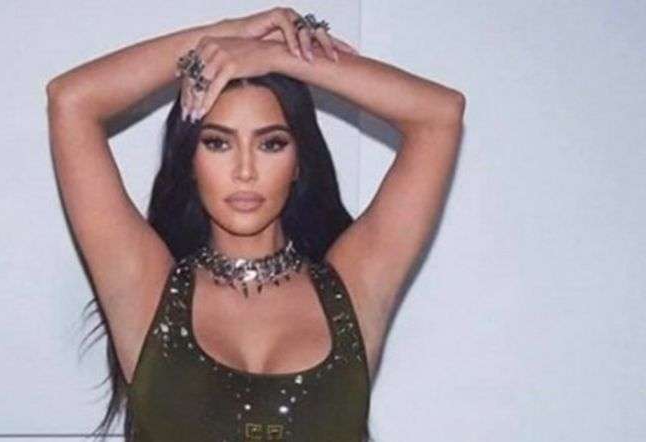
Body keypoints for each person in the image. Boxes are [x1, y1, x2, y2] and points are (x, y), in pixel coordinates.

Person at [46, 7, 464, 442]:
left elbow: (440, 115)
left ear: (299, 161)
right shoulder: (146, 291)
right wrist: (221, 39)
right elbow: (70, 100)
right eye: (218, 143)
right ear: (190, 161)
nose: (245, 170)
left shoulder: (353, 288)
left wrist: (279, 57)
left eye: (271, 144)